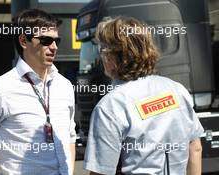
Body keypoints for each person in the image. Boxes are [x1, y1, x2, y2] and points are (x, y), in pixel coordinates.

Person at [0, 9, 76, 175]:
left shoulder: (65, 86)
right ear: (24, 41)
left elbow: (70, 137)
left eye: (57, 40)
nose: (54, 47)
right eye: (46, 40)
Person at [83, 16, 203, 175]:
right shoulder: (177, 90)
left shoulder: (110, 106)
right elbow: (195, 148)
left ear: (110, 56)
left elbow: (101, 172)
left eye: (101, 50)